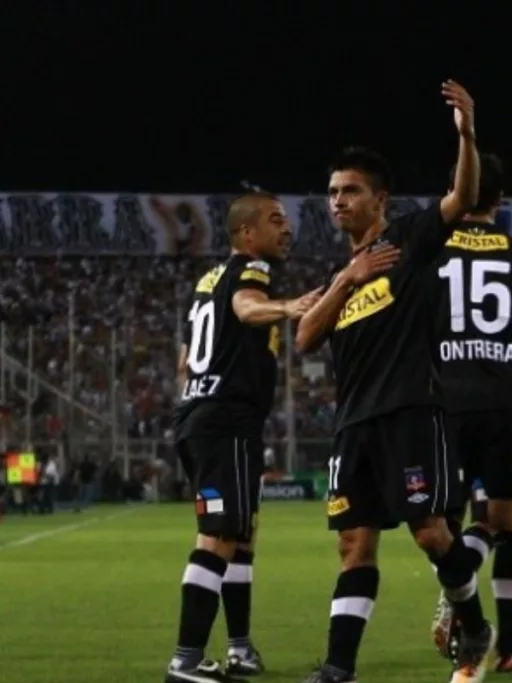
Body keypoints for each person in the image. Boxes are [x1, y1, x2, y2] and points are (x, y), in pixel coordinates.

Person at [294, 81, 495, 683]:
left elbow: (462, 196)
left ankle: (475, 622)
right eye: (331, 193)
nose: (337, 202)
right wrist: (347, 279)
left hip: (411, 411)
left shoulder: (408, 238)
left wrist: (466, 134)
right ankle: (339, 667)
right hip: (352, 425)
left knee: (431, 532)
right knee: (354, 546)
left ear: (380, 199)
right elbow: (305, 337)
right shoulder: (346, 275)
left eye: (349, 191)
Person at [164, 192, 322, 683]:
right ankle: (186, 660)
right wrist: (289, 307)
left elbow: (185, 361)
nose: (286, 228)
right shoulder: (252, 270)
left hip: (203, 414)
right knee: (218, 536)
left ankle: (239, 649)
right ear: (246, 233)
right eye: (276, 220)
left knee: (240, 535)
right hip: (225, 420)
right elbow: (247, 307)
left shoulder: (204, 281)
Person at [428, 153, 512, 673]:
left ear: (456, 188)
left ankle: (463, 609)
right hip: (509, 401)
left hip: (445, 401)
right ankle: (510, 651)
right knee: (510, 527)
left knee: (444, 525)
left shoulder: (433, 248)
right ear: (501, 201)